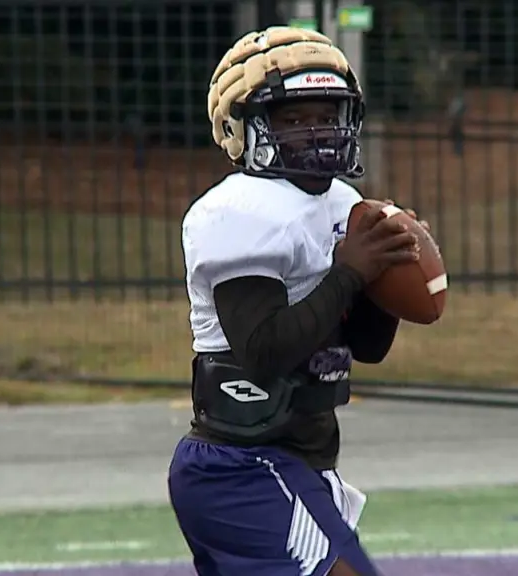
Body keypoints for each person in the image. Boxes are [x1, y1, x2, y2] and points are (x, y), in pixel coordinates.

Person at [169, 26, 428, 576]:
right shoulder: (240, 210)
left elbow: (367, 346)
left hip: (306, 461)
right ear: (243, 127)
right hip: (240, 464)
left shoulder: (344, 202)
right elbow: (263, 352)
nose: (317, 130)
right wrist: (351, 271)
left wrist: (388, 274)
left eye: (327, 113)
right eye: (293, 117)